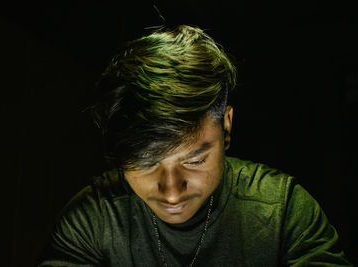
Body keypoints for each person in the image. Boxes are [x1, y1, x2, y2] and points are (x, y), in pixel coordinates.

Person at [37, 25, 352, 266]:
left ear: (226, 127)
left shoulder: (283, 211)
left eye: (194, 161)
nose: (172, 192)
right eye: (146, 163)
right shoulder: (92, 219)